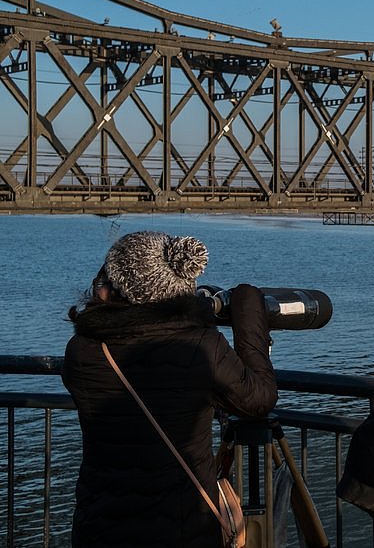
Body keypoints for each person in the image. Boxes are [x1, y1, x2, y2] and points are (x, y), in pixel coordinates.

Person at [61, 230, 278, 547]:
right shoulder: (201, 347)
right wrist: (249, 315)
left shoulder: (83, 351)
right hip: (184, 528)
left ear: (112, 288)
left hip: (100, 526)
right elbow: (259, 399)